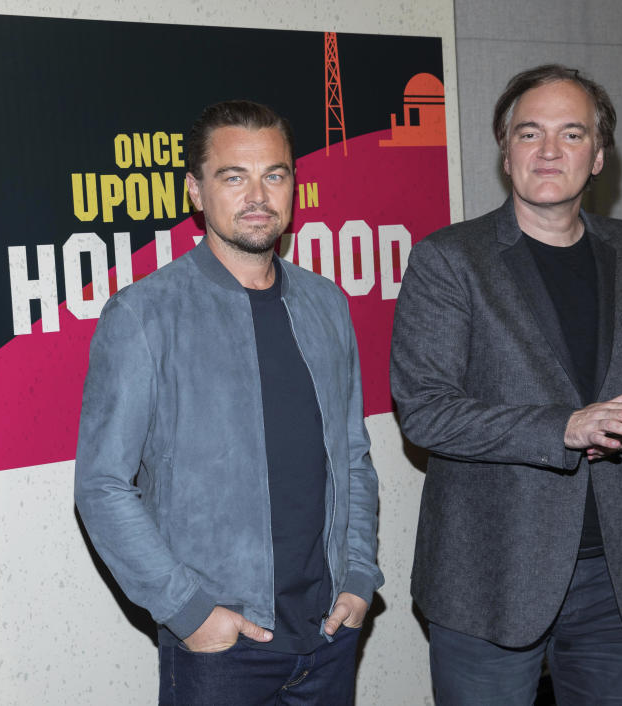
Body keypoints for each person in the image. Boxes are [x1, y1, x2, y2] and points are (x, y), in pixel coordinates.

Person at [389, 65, 622, 704]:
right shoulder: (449, 258)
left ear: (598, 156)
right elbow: (425, 409)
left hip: (618, 581)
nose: (549, 151)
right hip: (489, 578)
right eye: (529, 133)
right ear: (506, 152)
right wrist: (566, 428)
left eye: (571, 134)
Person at [75, 100, 383, 705]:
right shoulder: (144, 315)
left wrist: (358, 578)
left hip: (329, 634)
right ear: (195, 191)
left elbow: (353, 456)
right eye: (233, 176)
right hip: (222, 651)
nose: (258, 196)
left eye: (274, 174)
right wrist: (189, 613)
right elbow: (102, 486)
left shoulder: (326, 304)